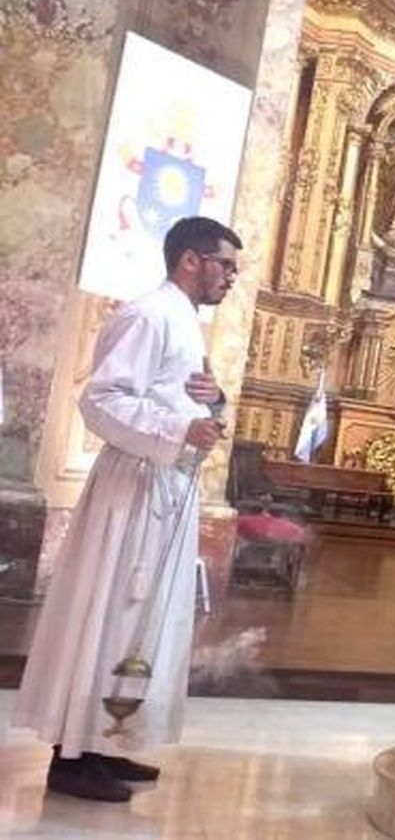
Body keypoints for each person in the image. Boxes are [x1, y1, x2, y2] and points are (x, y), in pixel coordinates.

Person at [12, 216, 239, 802]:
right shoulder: (148, 315)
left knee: (139, 620)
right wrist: (177, 429)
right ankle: (70, 756)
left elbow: (184, 401)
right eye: (225, 265)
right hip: (133, 490)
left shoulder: (183, 321)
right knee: (109, 611)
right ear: (190, 260)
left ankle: (105, 738)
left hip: (164, 487)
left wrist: (214, 404)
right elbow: (101, 400)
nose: (231, 278)